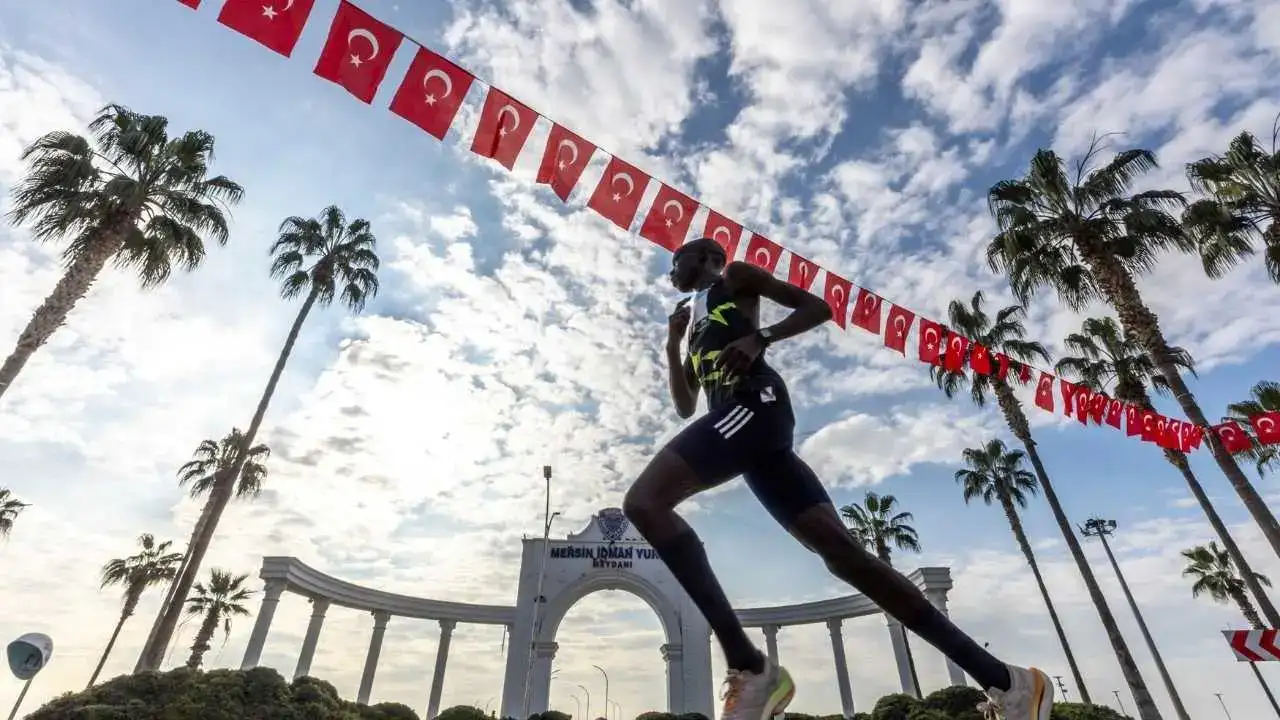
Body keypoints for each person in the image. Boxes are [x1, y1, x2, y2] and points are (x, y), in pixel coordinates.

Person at [620, 237, 1054, 720]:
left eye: (673, 263)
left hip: (755, 407)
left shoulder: (734, 280)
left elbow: (818, 307)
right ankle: (1009, 682)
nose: (669, 275)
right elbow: (685, 406)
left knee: (645, 503)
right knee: (844, 557)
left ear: (702, 257)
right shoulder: (692, 320)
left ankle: (750, 667)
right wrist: (671, 344)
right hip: (745, 436)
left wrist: (761, 338)